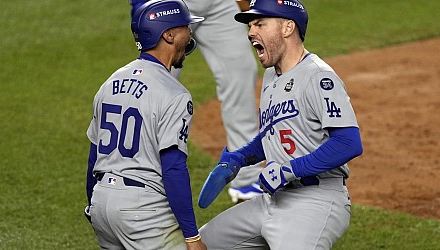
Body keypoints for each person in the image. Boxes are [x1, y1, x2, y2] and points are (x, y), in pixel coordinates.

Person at [197, 0, 363, 249]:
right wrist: (239, 158)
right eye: (251, 25)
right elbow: (273, 134)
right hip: (272, 199)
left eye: (260, 24)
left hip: (316, 200)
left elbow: (348, 143)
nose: (251, 32)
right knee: (199, 244)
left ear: (288, 27)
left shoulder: (318, 76)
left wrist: (289, 170)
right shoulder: (272, 76)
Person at [84, 0, 207, 249]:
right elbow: (173, 168)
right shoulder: (175, 94)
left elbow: (93, 156)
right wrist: (192, 236)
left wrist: (94, 204)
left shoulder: (110, 83)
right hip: (143, 212)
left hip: (101, 203)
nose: (191, 33)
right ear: (169, 35)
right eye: (185, 27)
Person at [172, 0, 264, 203]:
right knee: (160, 79)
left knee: (240, 71)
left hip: (220, 3)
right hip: (172, 3)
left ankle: (246, 180)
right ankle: (138, 174)